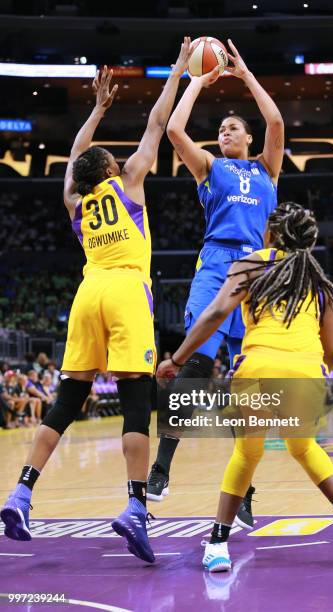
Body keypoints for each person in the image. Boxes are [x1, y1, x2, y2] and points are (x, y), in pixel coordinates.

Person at [0, 39, 195, 565]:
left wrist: (96, 110)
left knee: (67, 398)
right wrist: (179, 68)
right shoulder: (129, 182)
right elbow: (158, 122)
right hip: (128, 290)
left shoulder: (76, 202)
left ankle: (21, 492)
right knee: (136, 400)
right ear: (109, 168)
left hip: (87, 294)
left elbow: (72, 159)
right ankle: (135, 509)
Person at [156, 202, 333, 571]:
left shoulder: (252, 263)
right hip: (306, 371)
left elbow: (214, 314)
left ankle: (217, 545)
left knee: (247, 454)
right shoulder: (317, 279)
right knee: (305, 448)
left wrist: (178, 359)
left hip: (259, 367)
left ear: (273, 234)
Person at [147, 40, 283, 530]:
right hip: (216, 263)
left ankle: (244, 492)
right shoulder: (210, 167)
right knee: (198, 368)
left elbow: (277, 124)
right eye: (221, 128)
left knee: (250, 385)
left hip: (258, 270)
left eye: (233, 127)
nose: (224, 131)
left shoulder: (267, 168)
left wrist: (246, 76)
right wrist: (197, 81)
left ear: (246, 138)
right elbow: (175, 130)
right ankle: (161, 468)